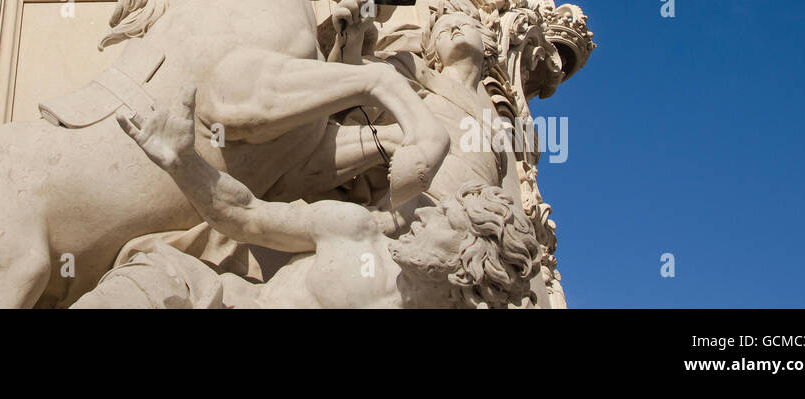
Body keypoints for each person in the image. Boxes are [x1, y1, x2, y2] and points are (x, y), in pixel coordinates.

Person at [71, 82, 540, 309]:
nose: (421, 218)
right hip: (216, 303)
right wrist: (183, 161)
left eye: (444, 221)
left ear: (471, 262)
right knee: (146, 284)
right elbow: (246, 215)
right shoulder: (354, 233)